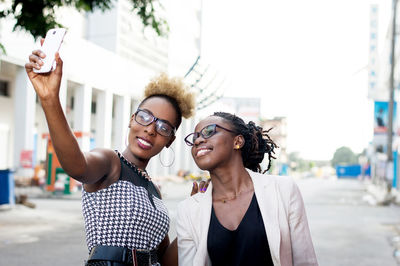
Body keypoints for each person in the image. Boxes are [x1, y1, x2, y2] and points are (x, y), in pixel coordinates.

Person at [25, 45, 196, 265]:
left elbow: (166, 260)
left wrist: (194, 212)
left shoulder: (155, 191)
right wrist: (50, 99)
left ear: (169, 140)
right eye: (145, 117)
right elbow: (77, 166)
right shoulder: (110, 163)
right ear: (131, 119)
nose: (150, 129)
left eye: (163, 127)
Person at [177, 112, 318, 266]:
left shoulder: (283, 190)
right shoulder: (189, 210)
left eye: (209, 131)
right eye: (194, 137)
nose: (198, 140)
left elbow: (305, 260)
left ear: (237, 141)